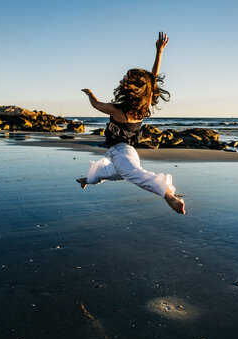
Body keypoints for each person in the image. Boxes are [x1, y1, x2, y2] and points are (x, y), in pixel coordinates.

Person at [77, 32, 185, 214]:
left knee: (135, 175)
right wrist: (159, 52)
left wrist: (89, 94)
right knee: (111, 173)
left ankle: (170, 197)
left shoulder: (116, 109)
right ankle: (86, 180)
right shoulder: (144, 106)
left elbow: (96, 105)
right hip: (129, 152)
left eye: (125, 79)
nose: (122, 81)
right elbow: (152, 79)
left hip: (120, 152)